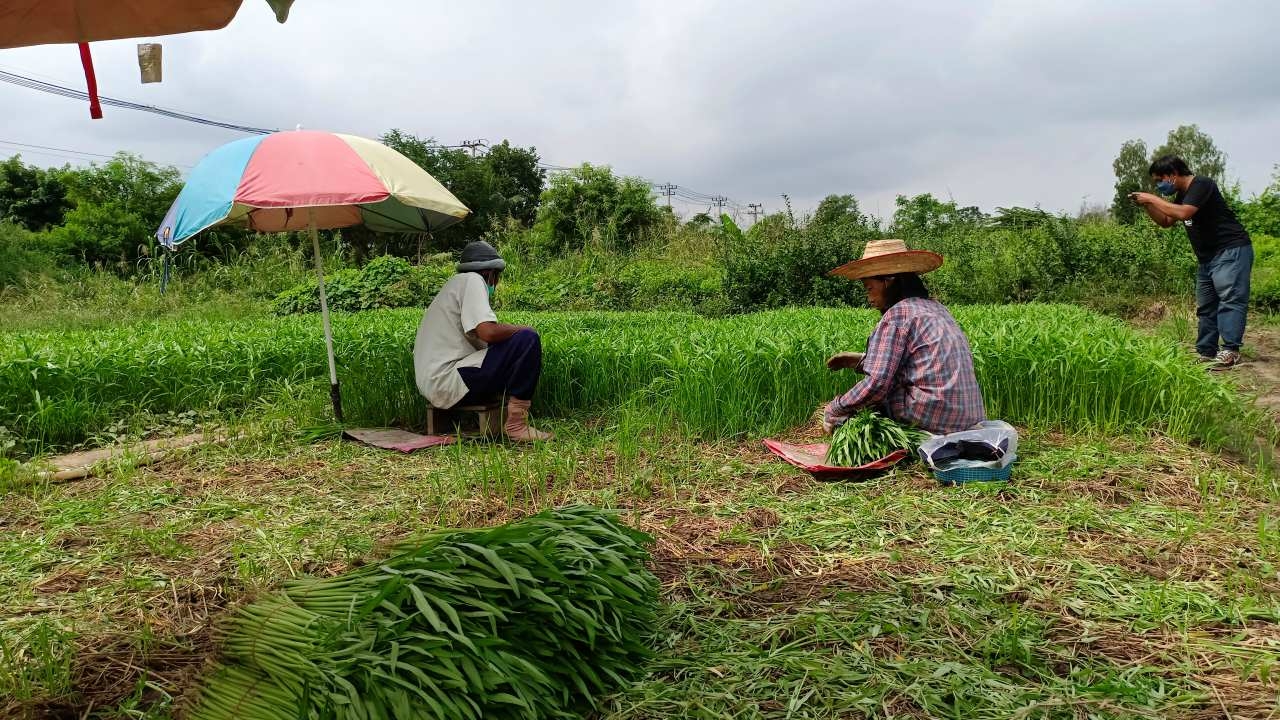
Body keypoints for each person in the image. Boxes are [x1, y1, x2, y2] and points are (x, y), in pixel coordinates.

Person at [822, 239, 985, 436]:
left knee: (871, 401)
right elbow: (919, 363)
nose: (869, 298)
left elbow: (878, 384)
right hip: (969, 418)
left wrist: (836, 408)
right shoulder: (936, 308)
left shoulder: (897, 315)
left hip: (935, 418)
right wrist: (860, 361)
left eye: (869, 288)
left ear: (889, 280)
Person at [413, 241, 552, 441]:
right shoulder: (473, 280)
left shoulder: (454, 285)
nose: (496, 284)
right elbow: (488, 332)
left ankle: (509, 415)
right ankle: (517, 424)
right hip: (447, 380)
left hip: (436, 383)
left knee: (513, 345)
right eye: (497, 278)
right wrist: (521, 329)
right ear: (491, 274)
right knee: (527, 339)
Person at [1131, 155, 1253, 370]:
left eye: (1160, 179)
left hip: (1230, 250)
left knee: (1230, 300)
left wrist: (1152, 198)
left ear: (1173, 175)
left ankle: (1230, 351)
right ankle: (1206, 352)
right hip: (1207, 258)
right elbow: (1166, 221)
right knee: (1206, 307)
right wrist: (1146, 205)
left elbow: (1184, 213)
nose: (1159, 185)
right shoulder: (1182, 195)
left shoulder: (1202, 184)